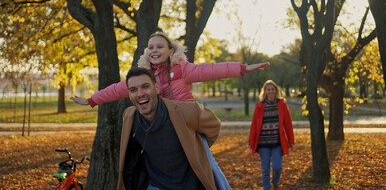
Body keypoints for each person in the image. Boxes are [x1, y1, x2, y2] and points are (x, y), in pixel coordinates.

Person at [72, 31, 270, 189]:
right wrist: (91, 100)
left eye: (159, 46)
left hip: (187, 125)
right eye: (150, 47)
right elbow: (117, 89)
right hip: (162, 129)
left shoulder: (182, 69)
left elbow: (210, 70)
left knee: (209, 167)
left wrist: (243, 69)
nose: (154, 50)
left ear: (170, 50)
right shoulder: (146, 77)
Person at [118, 67, 220, 190]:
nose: (140, 94)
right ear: (129, 94)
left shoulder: (187, 112)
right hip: (154, 186)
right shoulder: (129, 117)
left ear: (156, 88)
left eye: (145, 86)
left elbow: (214, 127)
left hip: (191, 186)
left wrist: (196, 149)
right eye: (133, 90)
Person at [248, 80, 295, 190]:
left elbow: (288, 124)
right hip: (263, 144)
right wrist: (251, 142)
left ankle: (275, 183)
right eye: (268, 89)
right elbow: (254, 125)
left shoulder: (282, 104)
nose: (270, 91)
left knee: (277, 167)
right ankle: (266, 188)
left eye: (272, 89)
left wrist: (291, 141)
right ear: (265, 91)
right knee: (265, 170)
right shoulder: (260, 106)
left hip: (277, 143)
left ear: (276, 90)